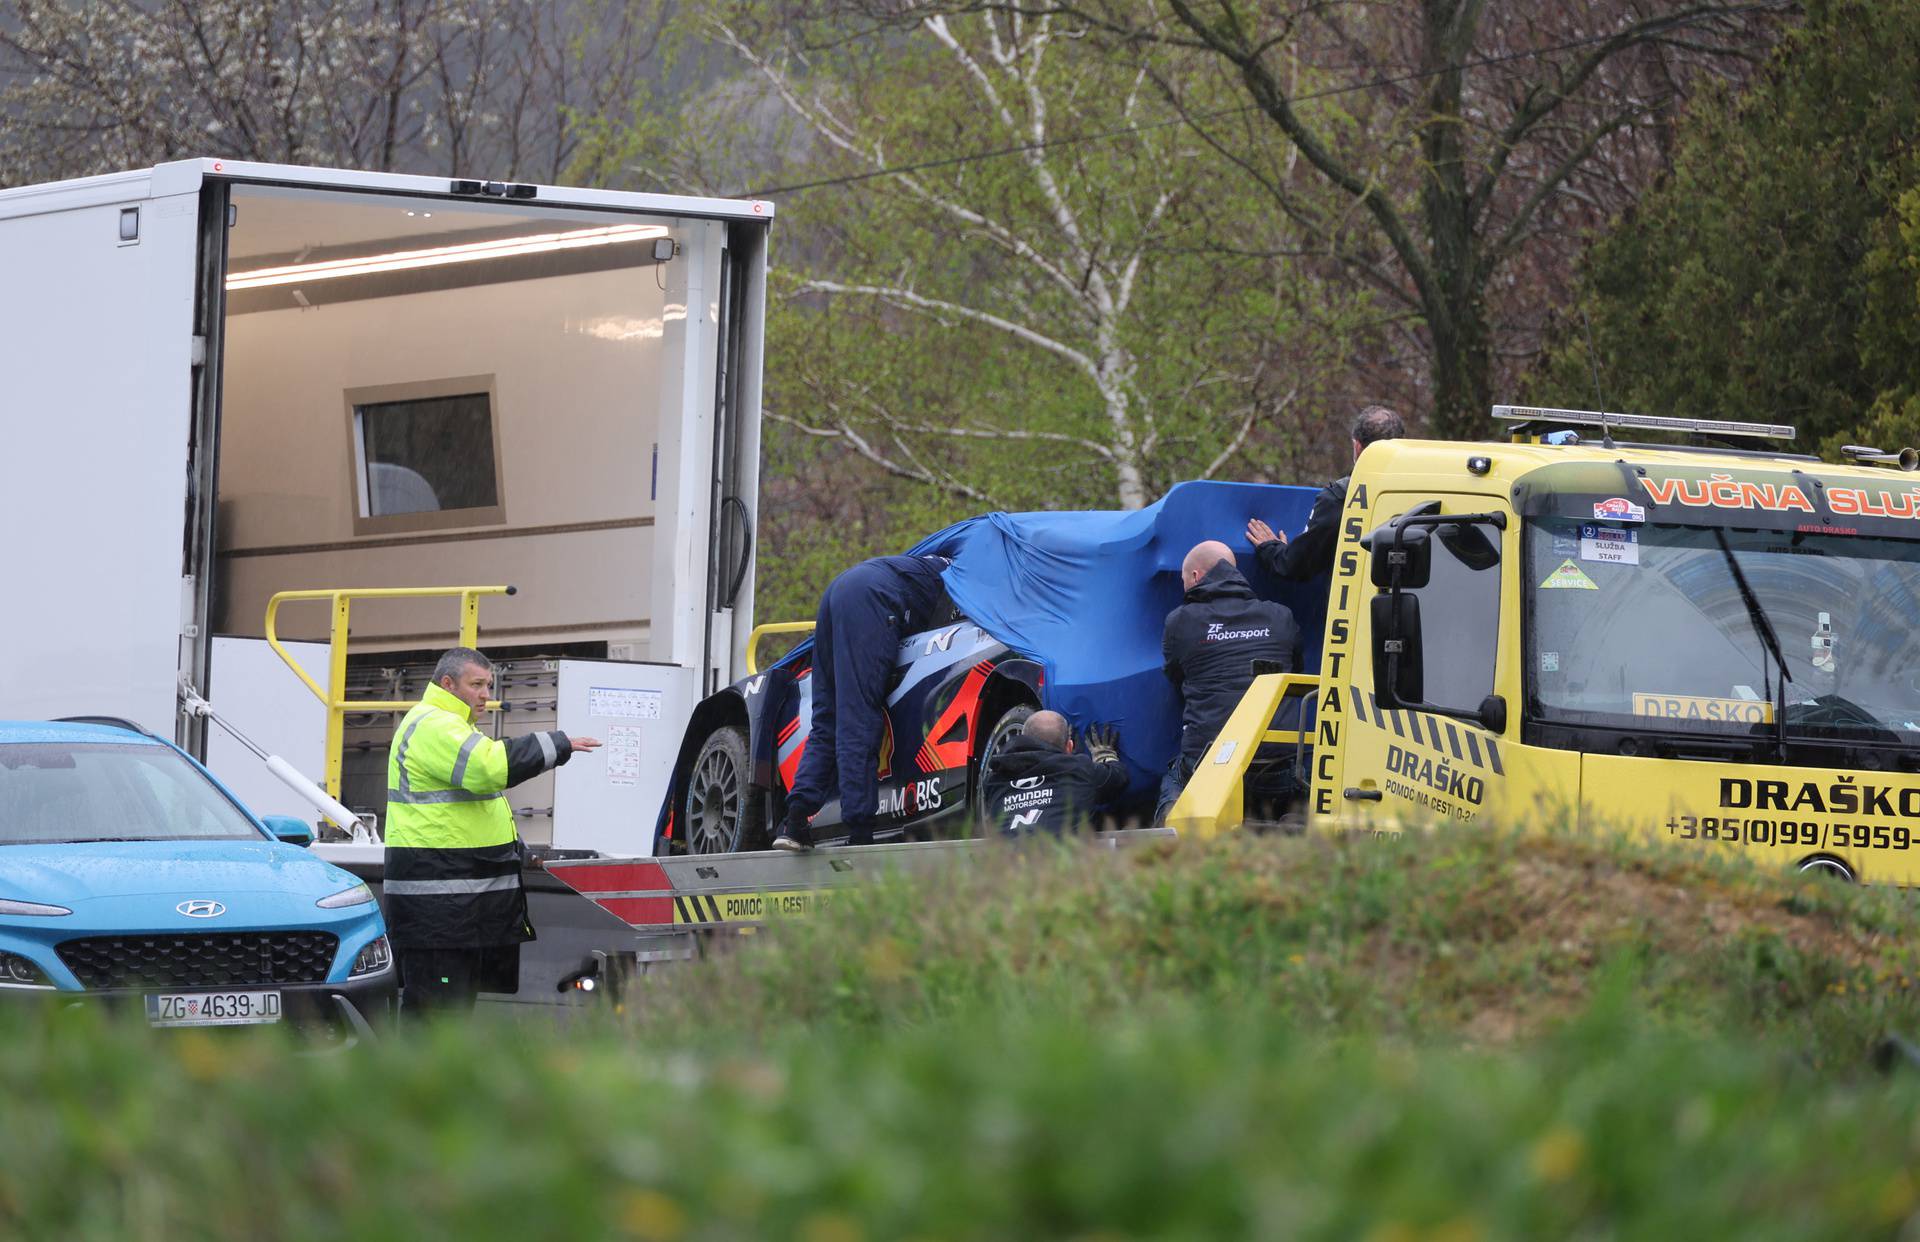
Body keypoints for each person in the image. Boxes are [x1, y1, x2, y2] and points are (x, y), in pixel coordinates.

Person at [384, 646, 601, 1017]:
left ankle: (437, 1077)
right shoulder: (435, 725)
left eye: (489, 684)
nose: (487, 694)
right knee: (436, 1016)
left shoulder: (449, 726)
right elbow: (490, 767)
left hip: (450, 912)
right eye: (478, 685)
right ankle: (423, 1077)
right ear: (448, 684)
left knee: (446, 1014)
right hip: (440, 913)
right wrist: (557, 744)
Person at [772, 553, 954, 851]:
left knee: (828, 719)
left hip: (839, 590)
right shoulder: (958, 576)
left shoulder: (925, 561)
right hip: (871, 598)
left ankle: (795, 822)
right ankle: (859, 833)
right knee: (858, 715)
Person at [1158, 541, 1302, 822]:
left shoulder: (1180, 622)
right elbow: (1294, 673)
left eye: (1184, 580)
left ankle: (1171, 846)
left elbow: (1176, 679)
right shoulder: (1281, 615)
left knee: (1173, 781)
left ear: (1196, 577)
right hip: (1279, 765)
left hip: (1212, 762)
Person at [1249, 404, 1405, 581]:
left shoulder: (1341, 498)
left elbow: (1296, 565)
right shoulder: (1420, 492)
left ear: (1357, 447)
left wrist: (1270, 549)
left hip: (1353, 607)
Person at [980, 710, 1128, 837]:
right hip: (1057, 864)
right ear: (1069, 747)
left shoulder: (993, 783)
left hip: (1007, 866)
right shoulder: (1079, 769)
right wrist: (1104, 755)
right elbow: (1118, 778)